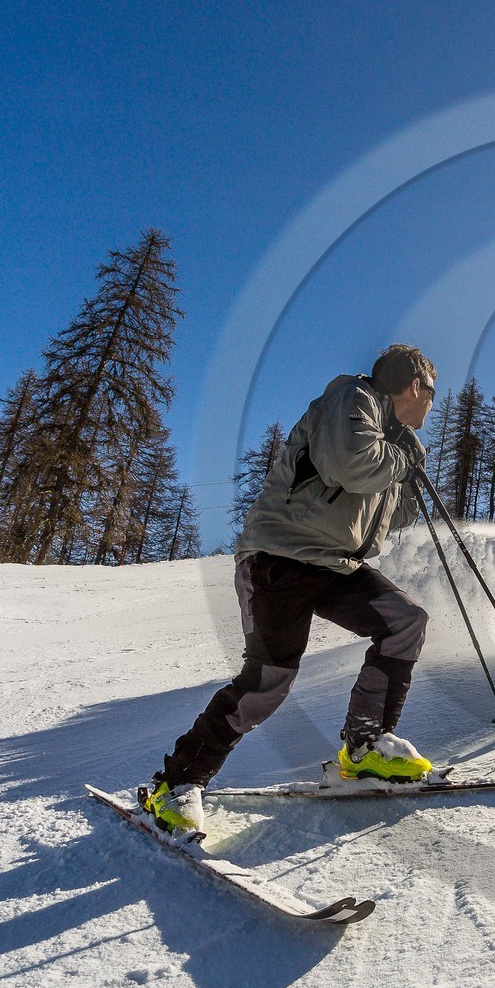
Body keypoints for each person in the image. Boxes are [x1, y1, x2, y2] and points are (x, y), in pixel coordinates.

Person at [142, 345, 438, 835]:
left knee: (405, 622)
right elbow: (352, 466)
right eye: (431, 394)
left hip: (335, 563)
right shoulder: (353, 400)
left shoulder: (393, 437)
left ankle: (365, 748)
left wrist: (408, 476)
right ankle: (175, 784)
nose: (432, 404)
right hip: (280, 557)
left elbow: (390, 515)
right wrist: (401, 460)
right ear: (413, 386)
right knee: (267, 682)